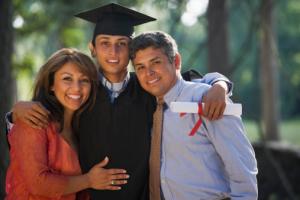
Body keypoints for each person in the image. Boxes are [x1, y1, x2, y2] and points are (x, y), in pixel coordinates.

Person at [6, 3, 234, 200]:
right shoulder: (83, 92)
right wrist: (15, 112)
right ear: (92, 48)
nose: (113, 51)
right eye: (104, 42)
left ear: (132, 51)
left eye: (122, 43)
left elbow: (193, 83)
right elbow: (45, 126)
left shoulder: (148, 87)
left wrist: (220, 85)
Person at [130, 31, 258, 200]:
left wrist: (220, 86)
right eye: (141, 67)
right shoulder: (146, 105)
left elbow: (242, 169)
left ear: (176, 61)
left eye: (156, 62)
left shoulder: (206, 99)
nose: (149, 73)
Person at [5, 48, 129, 200]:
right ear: (51, 84)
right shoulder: (33, 121)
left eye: (84, 80)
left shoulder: (83, 127)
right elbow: (38, 184)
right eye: (67, 79)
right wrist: (89, 180)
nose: (76, 88)